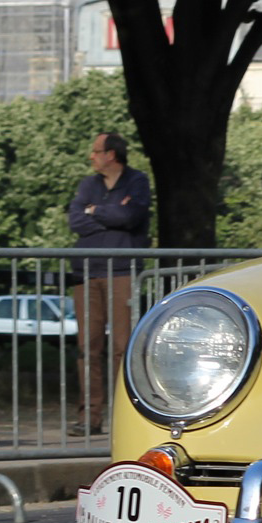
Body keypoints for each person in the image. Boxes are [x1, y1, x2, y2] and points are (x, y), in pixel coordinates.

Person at [67, 131, 151, 433]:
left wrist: (95, 211)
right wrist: (106, 214)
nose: (92, 156)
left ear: (111, 155)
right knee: (87, 347)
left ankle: (123, 419)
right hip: (86, 273)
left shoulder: (137, 181)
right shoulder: (88, 185)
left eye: (96, 151)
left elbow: (131, 216)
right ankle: (89, 417)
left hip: (122, 272)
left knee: (121, 347)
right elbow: (75, 220)